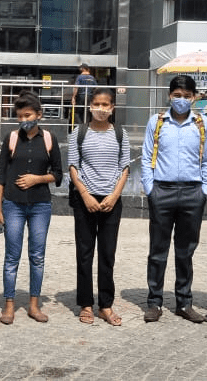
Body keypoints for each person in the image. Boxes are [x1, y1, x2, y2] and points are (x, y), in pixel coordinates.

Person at [139, 75, 207, 324]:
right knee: (158, 251)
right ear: (169, 95)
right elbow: (146, 155)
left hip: (193, 193)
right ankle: (154, 302)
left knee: (186, 251)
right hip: (162, 190)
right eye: (177, 95)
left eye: (186, 95)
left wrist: (204, 190)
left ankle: (184, 302)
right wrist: (150, 189)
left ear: (193, 97)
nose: (181, 99)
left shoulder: (202, 123)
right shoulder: (157, 121)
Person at [0, 91, 63, 325]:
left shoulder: (49, 139)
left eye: (28, 115)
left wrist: (37, 179)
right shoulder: (11, 139)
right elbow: (1, 177)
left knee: (37, 256)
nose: (24, 120)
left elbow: (58, 175)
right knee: (12, 256)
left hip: (41, 205)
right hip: (13, 205)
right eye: (20, 116)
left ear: (39, 115)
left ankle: (33, 305)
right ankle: (8, 305)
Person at [67, 87, 130, 326]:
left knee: (107, 254)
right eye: (97, 104)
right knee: (84, 254)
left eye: (106, 105)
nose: (101, 109)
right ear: (90, 106)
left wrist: (114, 196)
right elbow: (73, 166)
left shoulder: (120, 134)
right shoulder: (78, 133)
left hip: (111, 201)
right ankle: (85, 303)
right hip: (85, 200)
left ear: (112, 107)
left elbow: (125, 168)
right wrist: (85, 195)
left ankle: (105, 304)